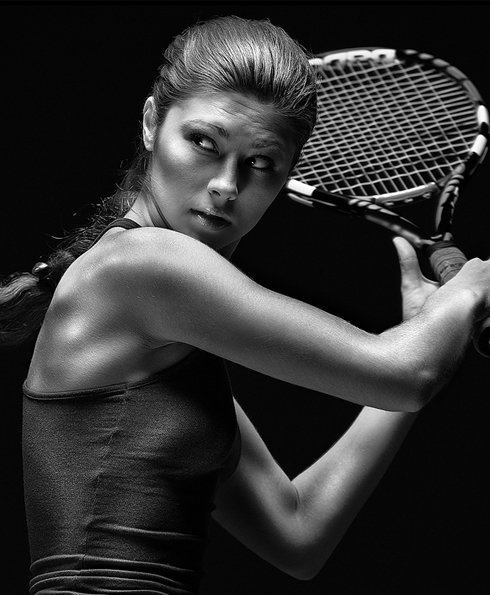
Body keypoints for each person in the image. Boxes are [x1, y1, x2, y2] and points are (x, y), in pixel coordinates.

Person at [1, 15, 489, 595]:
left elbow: (297, 532)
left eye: (260, 163)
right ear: (152, 123)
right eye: (204, 142)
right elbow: (405, 375)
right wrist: (469, 292)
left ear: (286, 175)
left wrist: (425, 332)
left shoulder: (170, 338)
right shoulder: (145, 263)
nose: (226, 186)